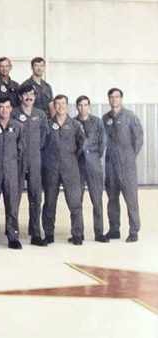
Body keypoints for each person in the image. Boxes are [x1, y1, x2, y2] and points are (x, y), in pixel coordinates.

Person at [41, 95, 85, 245]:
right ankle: (48, 234)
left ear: (67, 105)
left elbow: (81, 145)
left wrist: (70, 158)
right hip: (51, 168)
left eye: (63, 103)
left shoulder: (75, 124)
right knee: (49, 202)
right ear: (54, 106)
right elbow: (42, 144)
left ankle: (77, 234)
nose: (60, 106)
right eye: (57, 104)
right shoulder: (47, 124)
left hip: (70, 167)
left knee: (75, 202)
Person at [102, 88, 144, 242]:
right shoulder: (105, 118)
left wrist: (130, 157)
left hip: (127, 165)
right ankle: (114, 229)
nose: (114, 100)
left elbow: (138, 138)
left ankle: (134, 231)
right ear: (108, 99)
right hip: (110, 165)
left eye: (117, 97)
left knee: (131, 199)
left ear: (121, 99)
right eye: (111, 97)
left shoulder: (130, 116)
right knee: (112, 199)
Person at [12, 84, 48, 246]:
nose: (29, 97)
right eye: (25, 94)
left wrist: (35, 151)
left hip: (35, 159)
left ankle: (35, 233)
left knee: (36, 196)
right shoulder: (13, 113)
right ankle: (13, 233)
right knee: (14, 197)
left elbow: (44, 136)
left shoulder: (40, 114)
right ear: (20, 97)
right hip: (16, 160)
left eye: (31, 94)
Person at [0, 98, 23, 250]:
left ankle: (13, 237)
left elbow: (21, 149)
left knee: (12, 204)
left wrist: (15, 167)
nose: (4, 110)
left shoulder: (18, 126)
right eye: (1, 107)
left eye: (7, 107)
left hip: (11, 170)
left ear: (11, 109)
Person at [75, 95, 109, 243]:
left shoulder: (97, 122)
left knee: (97, 200)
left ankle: (99, 232)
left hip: (94, 164)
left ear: (89, 106)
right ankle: (78, 233)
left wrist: (94, 157)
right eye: (80, 105)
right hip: (78, 165)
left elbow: (103, 142)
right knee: (77, 201)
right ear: (77, 107)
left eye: (85, 105)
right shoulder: (73, 122)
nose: (83, 108)